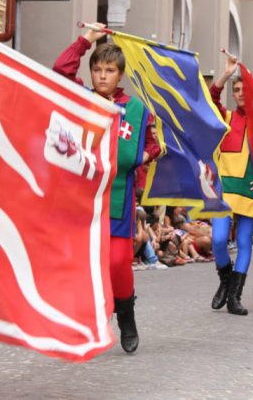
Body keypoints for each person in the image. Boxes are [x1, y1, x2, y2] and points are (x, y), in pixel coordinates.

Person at [53, 22, 160, 353]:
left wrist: (142, 155)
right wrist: (86, 40)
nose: (102, 76)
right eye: (97, 70)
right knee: (85, 264)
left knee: (116, 262)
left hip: (118, 197)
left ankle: (125, 316)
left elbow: (154, 145)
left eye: (109, 70)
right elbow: (60, 70)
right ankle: (90, 322)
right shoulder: (81, 97)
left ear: (120, 74)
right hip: (81, 196)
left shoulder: (137, 109)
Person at [208, 55, 253, 315]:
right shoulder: (227, 116)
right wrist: (226, 73)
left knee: (244, 241)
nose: (240, 93)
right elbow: (210, 98)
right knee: (218, 240)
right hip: (224, 185)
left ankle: (234, 296)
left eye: (245, 88)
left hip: (249, 187)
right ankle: (225, 279)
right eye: (236, 89)